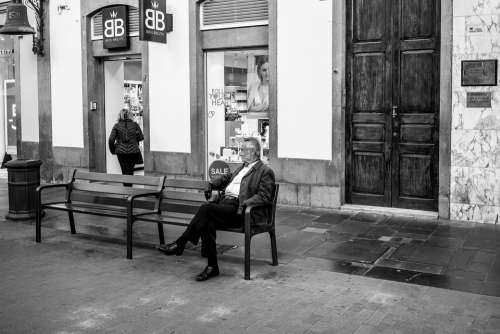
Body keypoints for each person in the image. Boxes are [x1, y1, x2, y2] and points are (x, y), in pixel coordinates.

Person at [158, 137, 275, 281]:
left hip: (241, 210)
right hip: (226, 206)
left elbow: (265, 196)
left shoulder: (264, 171)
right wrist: (212, 184)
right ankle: (212, 266)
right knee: (207, 222)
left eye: (244, 150)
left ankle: (180, 244)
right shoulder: (241, 167)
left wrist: (245, 203)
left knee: (206, 209)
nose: (241, 153)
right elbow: (227, 178)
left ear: (255, 152)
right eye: (241, 149)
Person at [108, 108, 144, 185]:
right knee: (130, 172)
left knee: (124, 171)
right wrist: (134, 138)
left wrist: (113, 150)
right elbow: (141, 137)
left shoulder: (117, 126)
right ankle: (129, 190)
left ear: (120, 115)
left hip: (121, 153)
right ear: (130, 115)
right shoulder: (135, 125)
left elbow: (111, 139)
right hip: (133, 152)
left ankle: (126, 191)